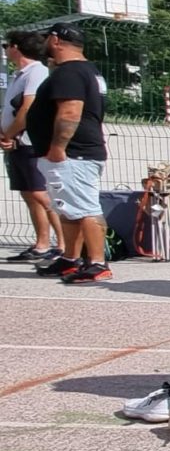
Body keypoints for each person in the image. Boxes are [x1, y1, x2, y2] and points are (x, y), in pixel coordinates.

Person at [27, 22, 111, 284]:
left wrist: (58, 147)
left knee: (85, 207)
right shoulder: (87, 70)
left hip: (74, 153)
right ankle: (70, 259)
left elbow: (70, 111)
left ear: (55, 40)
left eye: (46, 39)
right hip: (77, 152)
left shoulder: (70, 72)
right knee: (68, 207)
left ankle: (97, 263)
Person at [1, 29, 62, 265]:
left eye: (6, 45)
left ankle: (63, 244)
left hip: (28, 141)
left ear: (16, 47)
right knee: (29, 194)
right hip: (16, 143)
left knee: (40, 194)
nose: (5, 50)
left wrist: (9, 134)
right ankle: (41, 244)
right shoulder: (19, 74)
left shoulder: (36, 72)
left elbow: (28, 108)